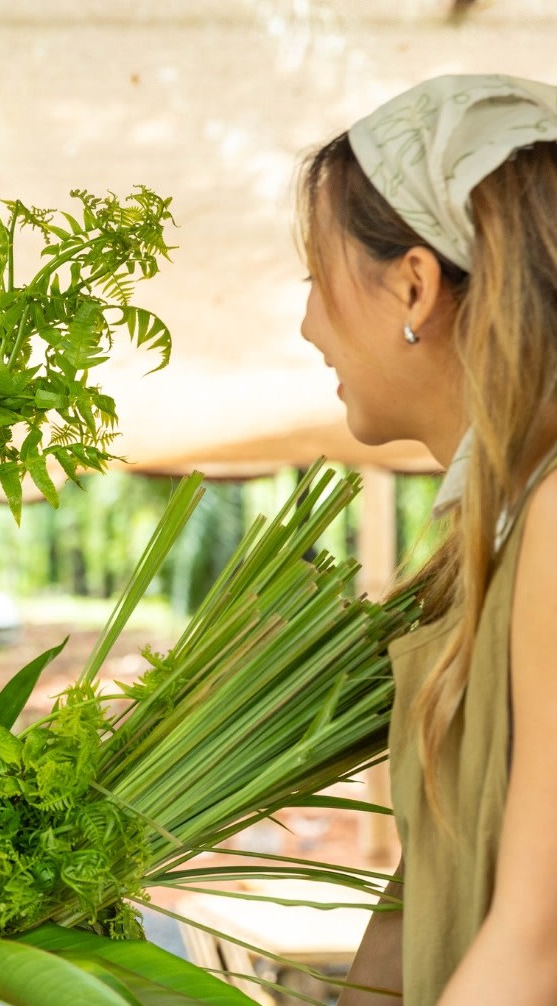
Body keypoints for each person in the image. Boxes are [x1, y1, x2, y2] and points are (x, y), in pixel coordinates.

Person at [295, 75, 557, 1005]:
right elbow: (435, 887)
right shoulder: (491, 530)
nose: (308, 325)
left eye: (316, 281)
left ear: (414, 284)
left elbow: (539, 946)